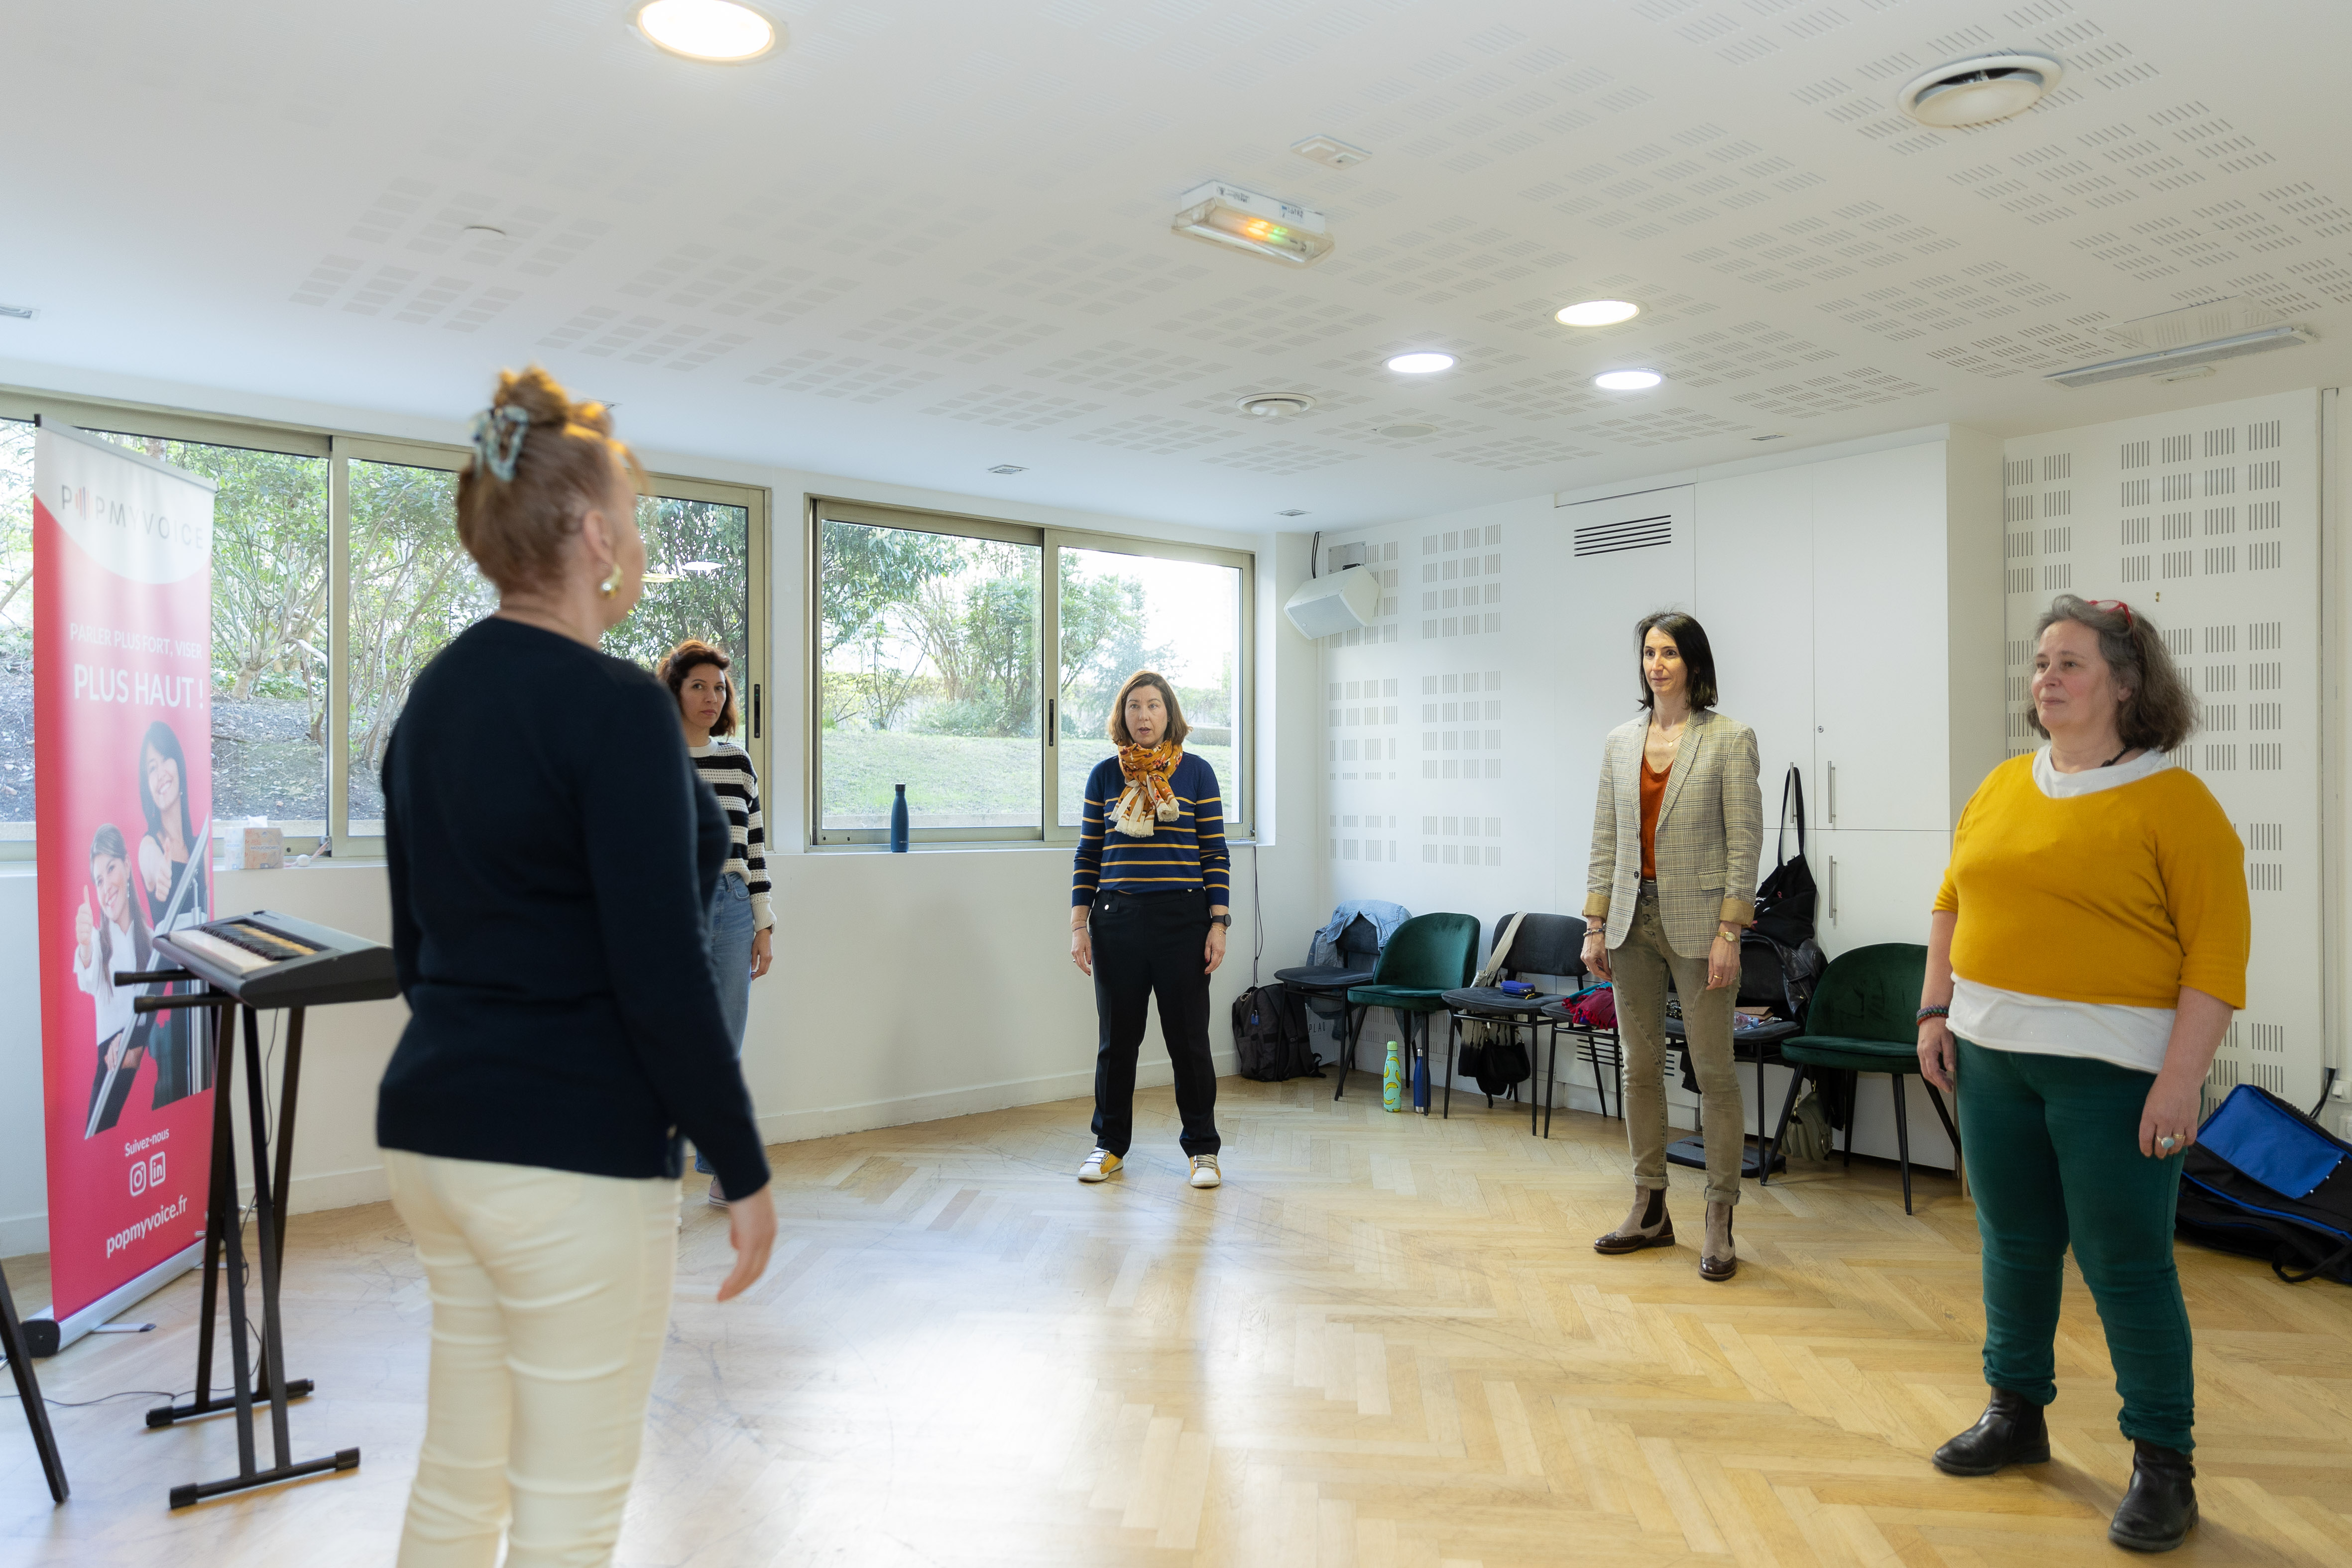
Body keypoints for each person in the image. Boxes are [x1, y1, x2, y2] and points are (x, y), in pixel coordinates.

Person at [375, 366, 777, 1568]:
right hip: (568, 1160)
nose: (640, 539)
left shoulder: (431, 698)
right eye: (636, 516)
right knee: (566, 1506)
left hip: (433, 1132)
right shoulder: (617, 708)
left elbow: (413, 944)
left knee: (458, 1480)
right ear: (596, 536)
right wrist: (742, 1162)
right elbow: (660, 973)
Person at [1918, 595, 2243, 1554]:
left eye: (2068, 663)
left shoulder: (2174, 802)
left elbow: (2215, 962)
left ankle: (2160, 1462)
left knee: (2125, 1265)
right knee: (2012, 1243)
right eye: (2038, 662)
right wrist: (1935, 1009)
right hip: (1988, 1055)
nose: (2044, 678)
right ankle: (2013, 1411)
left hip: (2114, 1073)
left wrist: (2179, 1080)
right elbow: (1947, 899)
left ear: (2126, 683)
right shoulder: (1999, 785)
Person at [1581, 611, 1762, 1281]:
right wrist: (1594, 925)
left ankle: (1720, 1214)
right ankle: (1650, 1205)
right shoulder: (1619, 742)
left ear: (1694, 664)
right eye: (1649, 654)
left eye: (1669, 654)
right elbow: (1605, 839)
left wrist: (1729, 933)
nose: (1656, 665)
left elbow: (1744, 845)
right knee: (1640, 1067)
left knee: (1713, 1072)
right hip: (1632, 922)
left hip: (1699, 928)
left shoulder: (1729, 739)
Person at [1068, 670, 1230, 1190]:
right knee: (1117, 1042)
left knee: (1188, 1041)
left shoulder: (1198, 774)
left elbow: (1214, 853)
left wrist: (1218, 923)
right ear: (1122, 715)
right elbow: (1088, 853)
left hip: (1184, 919)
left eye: (1153, 705)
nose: (1143, 715)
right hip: (1116, 920)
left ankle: (1202, 1150)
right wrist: (1079, 924)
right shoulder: (1102, 776)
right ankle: (1108, 1146)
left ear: (1169, 714)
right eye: (1134, 705)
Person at [658, 638, 775, 1207]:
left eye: (719, 686)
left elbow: (752, 846)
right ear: (675, 691)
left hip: (731, 904)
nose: (711, 696)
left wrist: (763, 922)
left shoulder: (736, 760)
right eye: (697, 685)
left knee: (724, 1044)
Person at [134, 720, 209, 1109]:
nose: (160, 773)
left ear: (179, 767)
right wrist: (158, 873)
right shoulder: (151, 845)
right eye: (151, 767)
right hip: (175, 1016)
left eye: (165, 761)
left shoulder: (198, 845)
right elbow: (149, 865)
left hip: (206, 1004)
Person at [76, 824, 152, 1136]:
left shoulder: (150, 937)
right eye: (99, 879)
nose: (106, 885)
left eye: (111, 869)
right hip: (108, 1063)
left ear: (128, 866)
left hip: (143, 1054)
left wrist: (135, 1047)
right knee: (99, 1138)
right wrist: (84, 949)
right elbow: (87, 980)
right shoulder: (96, 941)